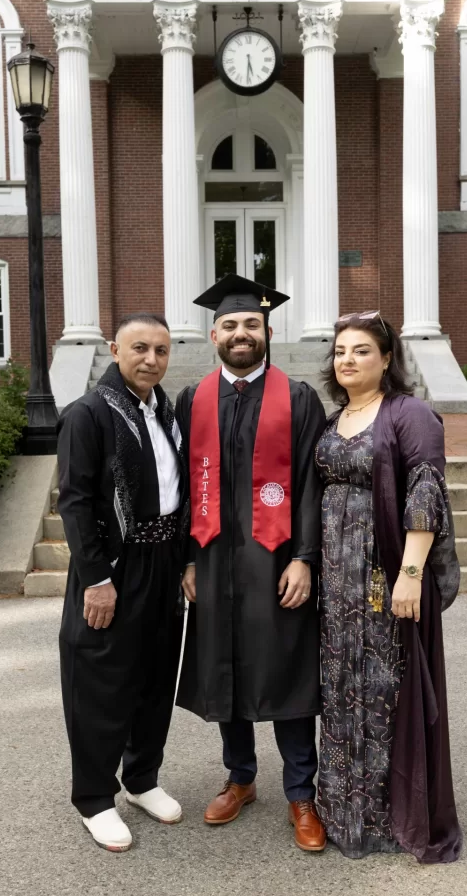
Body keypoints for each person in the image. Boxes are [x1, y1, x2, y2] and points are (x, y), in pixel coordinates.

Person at [175, 274, 327, 852]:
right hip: (214, 560)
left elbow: (312, 485)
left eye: (252, 325)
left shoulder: (298, 397)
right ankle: (240, 778)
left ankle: (300, 792)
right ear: (215, 334)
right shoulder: (195, 399)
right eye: (231, 325)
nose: (242, 334)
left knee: (286, 670)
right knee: (226, 666)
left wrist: (305, 559)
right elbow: (186, 489)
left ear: (268, 331)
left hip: (276, 561)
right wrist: (188, 559)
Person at [315, 311, 462, 864]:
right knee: (340, 687)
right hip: (336, 586)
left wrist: (411, 573)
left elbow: (427, 493)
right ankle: (342, 813)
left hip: (385, 580)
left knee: (384, 691)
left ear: (385, 358)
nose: (347, 359)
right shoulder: (335, 420)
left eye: (360, 351)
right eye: (340, 351)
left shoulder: (409, 413)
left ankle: (387, 817)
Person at [56, 312, 187, 852]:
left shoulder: (167, 411)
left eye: (160, 350)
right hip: (114, 568)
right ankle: (93, 797)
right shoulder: (88, 413)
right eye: (139, 348)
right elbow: (76, 501)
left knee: (155, 676)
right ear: (115, 350)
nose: (150, 360)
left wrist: (186, 562)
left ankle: (141, 778)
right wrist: (96, 580)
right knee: (102, 682)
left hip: (164, 562)